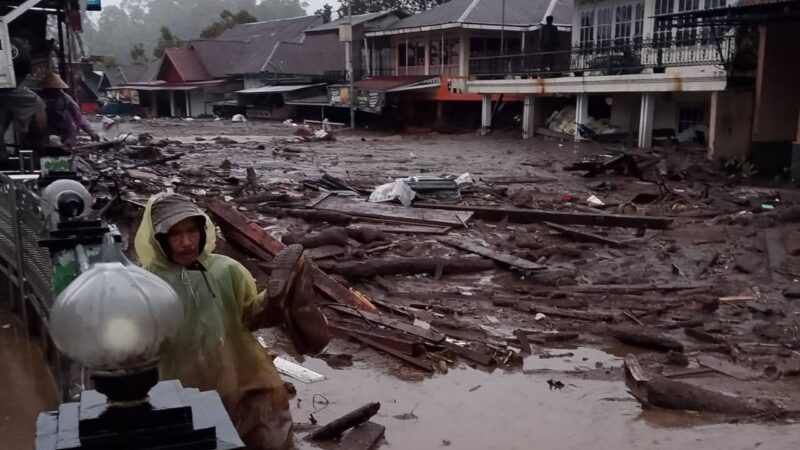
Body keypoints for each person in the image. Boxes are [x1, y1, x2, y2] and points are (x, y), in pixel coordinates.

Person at [134, 193, 330, 450]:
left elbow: (250, 317)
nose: (187, 243)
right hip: (183, 393)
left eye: (192, 231)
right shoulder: (143, 285)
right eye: (175, 234)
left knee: (273, 441)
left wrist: (274, 303)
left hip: (248, 383)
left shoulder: (227, 270)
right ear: (158, 239)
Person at [0, 38, 47, 159]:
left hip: (9, 83)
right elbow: (23, 72)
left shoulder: (11, 44)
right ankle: (38, 145)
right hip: (8, 84)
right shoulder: (14, 46)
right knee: (37, 104)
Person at [39, 72, 99, 146]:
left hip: (66, 131)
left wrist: (91, 132)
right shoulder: (39, 99)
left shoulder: (66, 99)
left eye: (54, 90)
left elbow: (78, 117)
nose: (52, 92)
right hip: (47, 132)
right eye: (49, 90)